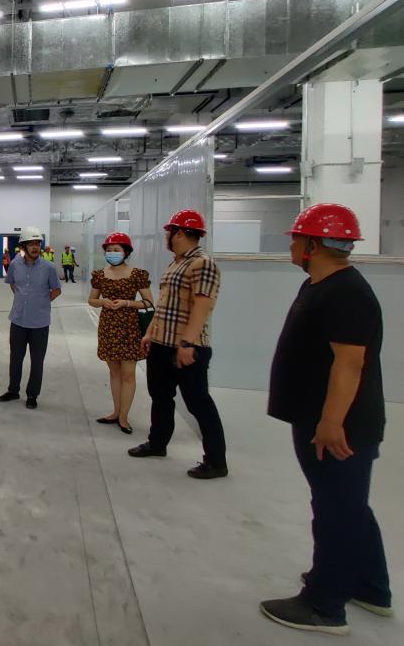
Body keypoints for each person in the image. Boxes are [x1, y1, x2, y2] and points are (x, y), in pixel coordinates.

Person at [259, 204, 391, 635]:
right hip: (318, 416)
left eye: (296, 239)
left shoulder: (346, 292)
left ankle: (324, 604)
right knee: (347, 506)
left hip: (339, 427)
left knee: (336, 512)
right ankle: (369, 586)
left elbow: (349, 363)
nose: (292, 245)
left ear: (313, 245)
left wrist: (332, 422)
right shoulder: (322, 285)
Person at [128, 209, 228, 480]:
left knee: (198, 404)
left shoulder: (203, 264)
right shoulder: (176, 263)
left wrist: (187, 343)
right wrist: (150, 333)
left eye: (169, 232)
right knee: (161, 397)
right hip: (162, 344)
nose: (167, 237)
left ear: (180, 233)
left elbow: (202, 306)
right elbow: (163, 306)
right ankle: (157, 443)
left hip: (187, 348)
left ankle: (216, 461)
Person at [87, 232, 153, 435]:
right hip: (108, 327)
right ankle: (116, 412)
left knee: (128, 374)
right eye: (109, 250)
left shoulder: (137, 274)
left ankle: (124, 417)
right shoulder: (100, 274)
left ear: (126, 252)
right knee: (114, 372)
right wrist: (103, 302)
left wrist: (127, 303)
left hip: (129, 328)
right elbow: (91, 300)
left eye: (116, 250)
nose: (112, 253)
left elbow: (149, 302)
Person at [0, 226, 62, 409]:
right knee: (15, 358)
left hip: (39, 323)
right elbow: (12, 283)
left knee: (37, 361)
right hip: (18, 320)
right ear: (23, 246)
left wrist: (41, 301)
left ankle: (32, 395)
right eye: (31, 244)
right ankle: (13, 390)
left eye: (37, 244)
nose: (35, 247)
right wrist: (21, 298)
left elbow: (56, 290)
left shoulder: (49, 267)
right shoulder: (15, 265)